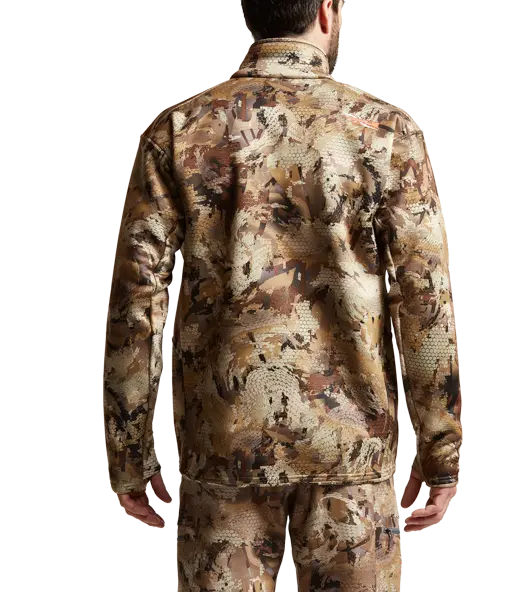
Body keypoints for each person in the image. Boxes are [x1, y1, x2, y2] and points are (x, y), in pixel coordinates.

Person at [102, 1, 464, 590]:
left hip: (223, 449)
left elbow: (136, 303)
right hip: (351, 453)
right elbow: (424, 300)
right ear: (326, 11)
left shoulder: (180, 131)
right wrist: (439, 448)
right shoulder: (385, 134)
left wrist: (129, 452)